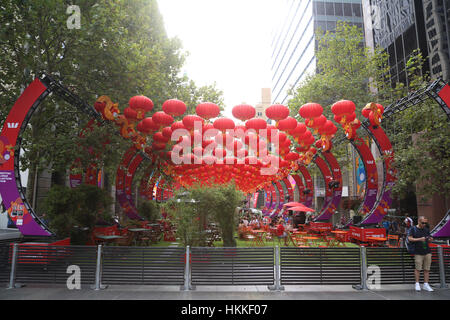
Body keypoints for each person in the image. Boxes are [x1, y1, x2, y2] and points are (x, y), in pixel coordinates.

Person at [407, 216, 434, 292]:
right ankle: (417, 283)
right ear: (419, 221)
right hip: (417, 251)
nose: (424, 224)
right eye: (423, 223)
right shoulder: (413, 229)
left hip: (427, 251)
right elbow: (410, 238)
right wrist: (419, 239)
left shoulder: (426, 229)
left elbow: (429, 238)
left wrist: (430, 239)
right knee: (418, 268)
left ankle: (426, 284)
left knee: (427, 269)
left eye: (425, 223)